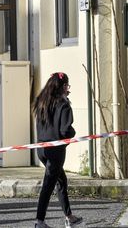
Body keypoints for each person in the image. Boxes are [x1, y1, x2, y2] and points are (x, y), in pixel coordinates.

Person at [33, 72, 83, 228]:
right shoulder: (64, 104)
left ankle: (69, 216)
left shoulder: (41, 101)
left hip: (41, 148)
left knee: (61, 180)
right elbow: (65, 130)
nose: (68, 89)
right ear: (62, 87)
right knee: (48, 185)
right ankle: (39, 221)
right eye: (67, 85)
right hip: (55, 150)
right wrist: (72, 134)